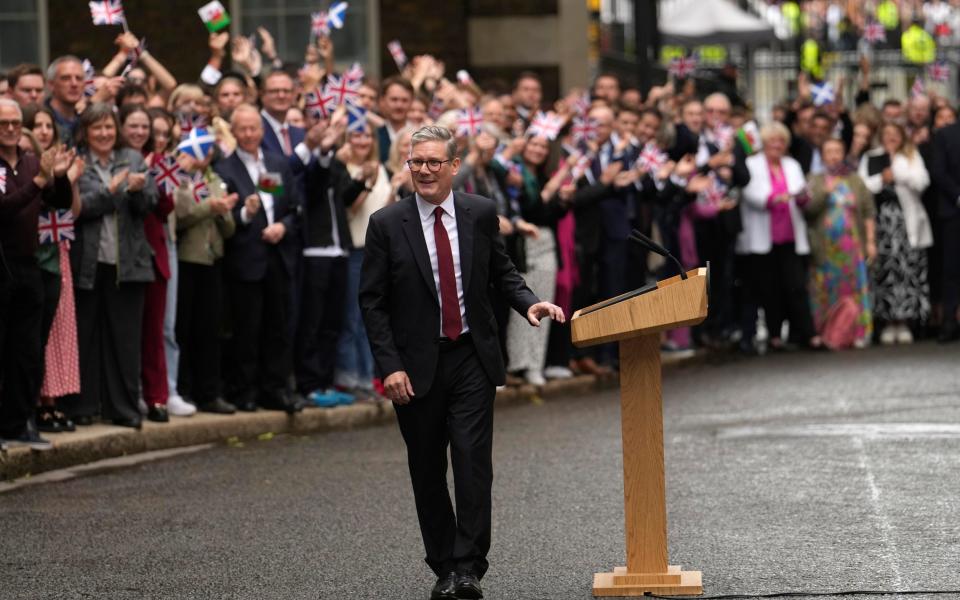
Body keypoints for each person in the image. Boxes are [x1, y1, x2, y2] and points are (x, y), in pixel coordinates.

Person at [359, 125, 564, 600]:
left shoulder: (479, 213)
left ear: (455, 166)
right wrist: (389, 365)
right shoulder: (387, 224)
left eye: (435, 162)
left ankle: (469, 567)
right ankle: (444, 564)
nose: (425, 170)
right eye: (417, 162)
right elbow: (372, 301)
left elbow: (502, 271)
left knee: (472, 463)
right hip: (415, 365)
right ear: (408, 165)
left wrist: (528, 302)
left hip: (471, 354)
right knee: (427, 468)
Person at [68, 102, 157, 429]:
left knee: (125, 340)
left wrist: (136, 191)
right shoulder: (78, 163)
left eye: (109, 127)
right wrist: (114, 189)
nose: (104, 134)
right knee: (86, 337)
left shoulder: (132, 158)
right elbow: (82, 207)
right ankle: (83, 406)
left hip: (128, 264)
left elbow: (150, 203)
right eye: (97, 128)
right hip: (89, 263)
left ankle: (124, 408)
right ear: (86, 132)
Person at [214, 104, 304, 414]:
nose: (250, 134)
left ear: (262, 131)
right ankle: (244, 391)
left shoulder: (275, 164)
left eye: (254, 128)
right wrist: (244, 214)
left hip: (277, 257)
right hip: (245, 260)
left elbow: (291, 208)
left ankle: (275, 389)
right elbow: (224, 218)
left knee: (277, 327)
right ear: (234, 132)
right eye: (244, 129)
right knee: (246, 330)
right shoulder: (224, 168)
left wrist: (282, 226)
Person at [0, 98, 74, 448]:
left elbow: (56, 203)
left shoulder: (31, 162)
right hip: (1, 264)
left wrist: (58, 178)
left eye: (15, 122)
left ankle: (18, 423)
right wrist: (39, 182)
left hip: (29, 267)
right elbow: (5, 209)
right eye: (4, 123)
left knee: (27, 351)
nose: (11, 128)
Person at [23, 105, 83, 433]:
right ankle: (32, 403)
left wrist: (68, 179)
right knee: (32, 337)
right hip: (28, 258)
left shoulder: (59, 166)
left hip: (56, 253)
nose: (45, 130)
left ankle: (51, 402)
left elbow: (72, 210)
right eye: (38, 125)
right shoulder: (27, 168)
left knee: (57, 333)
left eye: (49, 125)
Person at [738, 122, 818, 350]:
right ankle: (774, 335)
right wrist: (774, 198)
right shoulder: (752, 164)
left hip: (790, 234)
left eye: (781, 141)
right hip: (763, 236)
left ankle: (807, 333)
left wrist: (802, 197)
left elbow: (801, 192)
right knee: (768, 287)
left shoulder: (791, 164)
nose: (777, 145)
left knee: (796, 285)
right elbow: (750, 193)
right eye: (772, 141)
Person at [174, 135, 238, 415]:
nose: (206, 153)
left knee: (210, 330)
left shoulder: (215, 179)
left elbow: (230, 229)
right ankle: (184, 389)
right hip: (187, 259)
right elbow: (181, 217)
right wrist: (208, 207)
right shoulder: (181, 178)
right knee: (184, 329)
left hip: (213, 259)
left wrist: (224, 212)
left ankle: (209, 391)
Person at [119, 104, 172, 422]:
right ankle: (128, 395)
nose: (140, 133)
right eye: (133, 126)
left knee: (155, 330)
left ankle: (156, 396)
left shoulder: (160, 163)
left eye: (144, 128)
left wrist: (155, 175)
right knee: (126, 331)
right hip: (118, 254)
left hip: (154, 254)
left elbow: (164, 208)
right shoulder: (113, 160)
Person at [858, 122, 932, 344]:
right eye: (886, 134)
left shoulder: (910, 156)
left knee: (907, 271)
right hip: (880, 223)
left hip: (906, 222)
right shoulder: (871, 157)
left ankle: (906, 320)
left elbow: (922, 182)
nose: (890, 138)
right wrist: (882, 178)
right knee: (884, 271)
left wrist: (897, 173)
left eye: (895, 134)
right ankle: (888, 321)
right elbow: (863, 188)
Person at [333, 119, 391, 402]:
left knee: (372, 318)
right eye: (355, 135)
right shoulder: (343, 168)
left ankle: (368, 378)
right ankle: (348, 376)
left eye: (367, 135)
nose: (362, 141)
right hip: (355, 249)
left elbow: (387, 209)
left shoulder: (380, 169)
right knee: (351, 316)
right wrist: (364, 183)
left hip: (379, 252)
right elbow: (349, 211)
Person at [804, 138, 876, 349]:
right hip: (824, 247)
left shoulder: (855, 180)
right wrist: (825, 191)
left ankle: (858, 332)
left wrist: (870, 241)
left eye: (838, 151)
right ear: (823, 155)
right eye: (829, 151)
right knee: (824, 289)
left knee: (854, 288)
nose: (834, 155)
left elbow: (868, 211)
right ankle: (827, 333)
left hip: (852, 246)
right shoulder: (814, 179)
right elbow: (808, 210)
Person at [930, 115, 960, 342]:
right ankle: (949, 321)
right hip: (953, 211)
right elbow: (938, 171)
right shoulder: (944, 135)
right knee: (951, 269)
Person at [45, 56, 85, 145]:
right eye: (66, 78)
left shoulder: (85, 120)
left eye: (79, 78)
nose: (74, 84)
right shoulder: (41, 119)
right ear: (51, 84)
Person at [376, 76, 414, 163]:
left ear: (412, 102)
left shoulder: (420, 136)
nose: (399, 105)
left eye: (404, 100)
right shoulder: (373, 137)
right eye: (394, 99)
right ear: (383, 101)